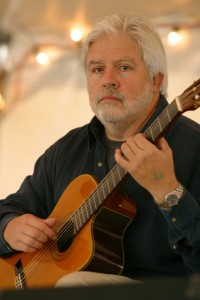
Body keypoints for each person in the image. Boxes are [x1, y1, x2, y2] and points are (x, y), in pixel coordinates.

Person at [0, 14, 200, 288]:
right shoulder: (67, 150)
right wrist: (10, 228)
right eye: (97, 69)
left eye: (124, 68)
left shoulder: (194, 147)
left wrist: (169, 192)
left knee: (75, 284)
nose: (108, 80)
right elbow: (9, 209)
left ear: (156, 80)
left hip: (166, 292)